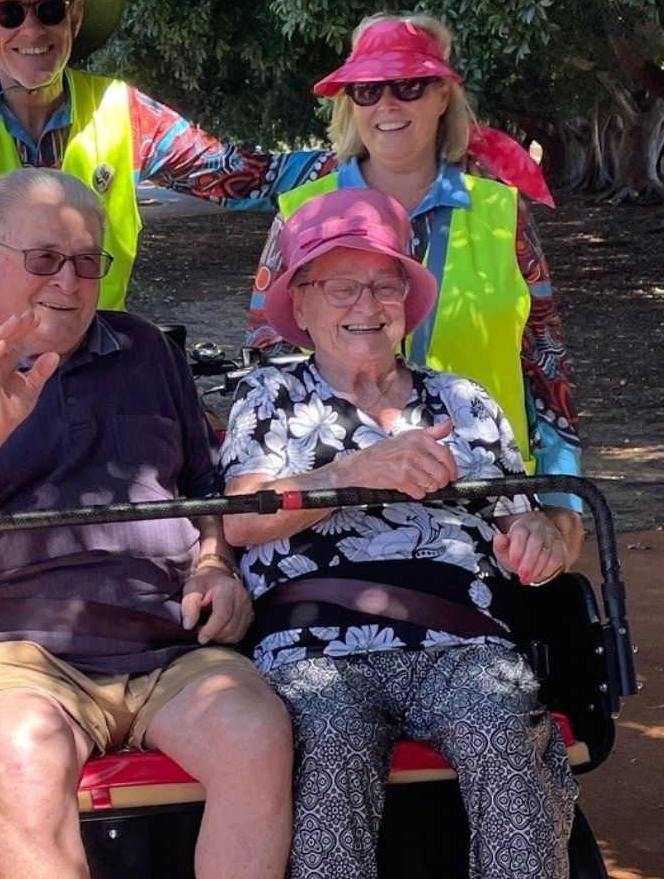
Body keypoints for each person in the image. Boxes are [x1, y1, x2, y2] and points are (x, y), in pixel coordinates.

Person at [0, 168, 292, 879]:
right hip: (9, 657)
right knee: (26, 752)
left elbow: (205, 490)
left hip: (166, 651)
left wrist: (215, 566)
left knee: (257, 733)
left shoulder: (147, 355)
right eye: (44, 260)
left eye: (86, 263)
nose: (69, 285)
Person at [221, 187, 580, 879]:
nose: (366, 305)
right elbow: (239, 517)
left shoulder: (462, 401)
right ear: (300, 303)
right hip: (314, 645)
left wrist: (535, 538)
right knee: (332, 737)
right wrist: (359, 469)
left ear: (407, 304)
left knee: (502, 722)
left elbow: (524, 519)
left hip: (458, 639)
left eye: (385, 287)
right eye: (342, 286)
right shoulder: (271, 396)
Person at [246, 12, 584, 546]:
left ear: (444, 95)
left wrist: (563, 505)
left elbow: (545, 364)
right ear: (348, 103)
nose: (387, 104)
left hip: (492, 512)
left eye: (409, 85)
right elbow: (270, 357)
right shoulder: (302, 213)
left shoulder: (501, 213)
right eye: (367, 89)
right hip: (334, 515)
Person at [0, 0, 332, 323]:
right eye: (9, 13)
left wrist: (362, 163)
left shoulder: (117, 106)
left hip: (97, 353)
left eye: (51, 9)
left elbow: (232, 176)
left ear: (75, 18)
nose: (32, 30)